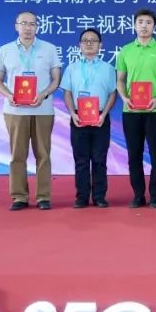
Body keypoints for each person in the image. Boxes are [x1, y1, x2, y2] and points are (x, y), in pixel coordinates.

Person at [0, 10, 62, 211]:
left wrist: (43, 94)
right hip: (15, 111)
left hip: (42, 109)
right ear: (16, 26)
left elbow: (56, 79)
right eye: (23, 23)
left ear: (37, 27)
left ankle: (43, 196)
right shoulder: (5, 50)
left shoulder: (49, 49)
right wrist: (9, 96)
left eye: (32, 24)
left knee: (43, 155)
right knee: (17, 155)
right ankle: (19, 196)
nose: (28, 27)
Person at [115, 8, 156, 209]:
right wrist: (124, 98)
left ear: (154, 27)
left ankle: (155, 195)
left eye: (148, 22)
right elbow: (120, 80)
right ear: (134, 25)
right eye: (140, 22)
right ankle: (138, 195)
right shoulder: (125, 51)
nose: (144, 26)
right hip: (131, 111)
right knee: (134, 155)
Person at [59, 28, 116, 209]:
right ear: (79, 45)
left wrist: (104, 114)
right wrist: (72, 113)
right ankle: (82, 197)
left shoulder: (108, 69)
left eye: (93, 40)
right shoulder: (72, 68)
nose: (89, 43)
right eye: (85, 40)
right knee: (81, 160)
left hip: (100, 117)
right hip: (78, 117)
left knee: (99, 159)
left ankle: (99, 196)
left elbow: (112, 94)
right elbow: (67, 93)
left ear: (100, 45)